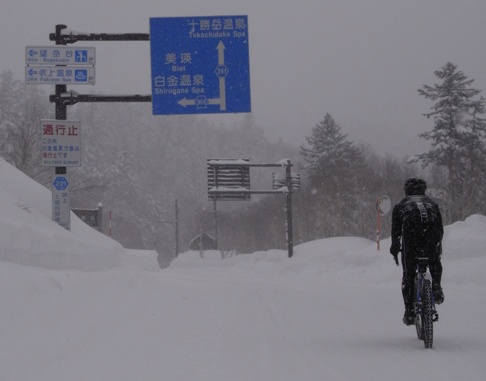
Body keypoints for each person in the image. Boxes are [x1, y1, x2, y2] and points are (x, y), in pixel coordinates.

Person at [390, 178, 444, 326]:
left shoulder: (401, 205)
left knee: (408, 275)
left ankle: (410, 313)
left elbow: (396, 233)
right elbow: (440, 229)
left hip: (411, 235)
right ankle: (437, 288)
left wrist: (395, 249)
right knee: (434, 261)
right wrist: (437, 248)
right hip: (431, 233)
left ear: (406, 190)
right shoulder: (432, 204)